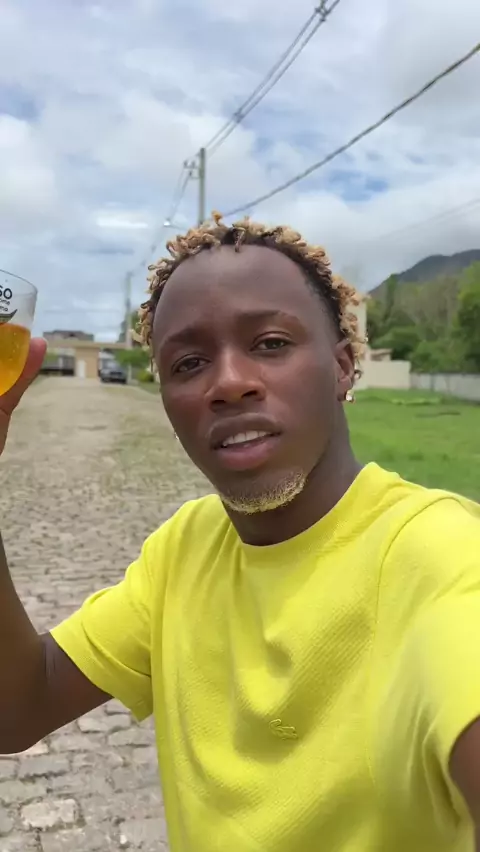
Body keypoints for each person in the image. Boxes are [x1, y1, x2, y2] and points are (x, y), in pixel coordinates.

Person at [1, 214, 480, 852]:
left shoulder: (441, 555)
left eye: (271, 343)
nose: (229, 382)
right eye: (189, 362)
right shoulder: (183, 551)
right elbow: (18, 709)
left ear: (342, 367)